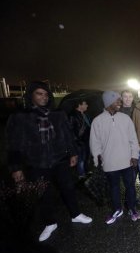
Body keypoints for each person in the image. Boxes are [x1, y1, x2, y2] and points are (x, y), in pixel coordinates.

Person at [6, 81, 92, 242]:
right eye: (39, 93)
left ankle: (75, 214)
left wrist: (73, 153)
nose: (43, 97)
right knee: (43, 194)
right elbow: (14, 144)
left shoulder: (57, 114)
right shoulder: (21, 117)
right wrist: (16, 168)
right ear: (31, 96)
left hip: (59, 159)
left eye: (46, 94)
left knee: (68, 188)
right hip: (36, 162)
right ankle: (50, 223)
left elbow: (67, 136)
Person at [90, 91, 140, 224]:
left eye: (120, 100)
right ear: (108, 103)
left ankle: (132, 208)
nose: (120, 102)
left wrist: (135, 155)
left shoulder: (125, 118)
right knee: (113, 188)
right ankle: (117, 209)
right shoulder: (97, 121)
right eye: (117, 100)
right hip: (109, 163)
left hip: (127, 161)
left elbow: (133, 139)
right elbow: (94, 144)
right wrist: (97, 161)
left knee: (130, 186)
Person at [69, 99, 91, 179]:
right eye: (85, 103)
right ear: (79, 105)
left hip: (86, 140)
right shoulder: (73, 115)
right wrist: (77, 141)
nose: (87, 105)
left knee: (86, 157)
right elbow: (71, 130)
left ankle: (86, 170)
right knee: (80, 159)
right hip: (79, 142)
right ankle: (81, 174)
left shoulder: (85, 115)